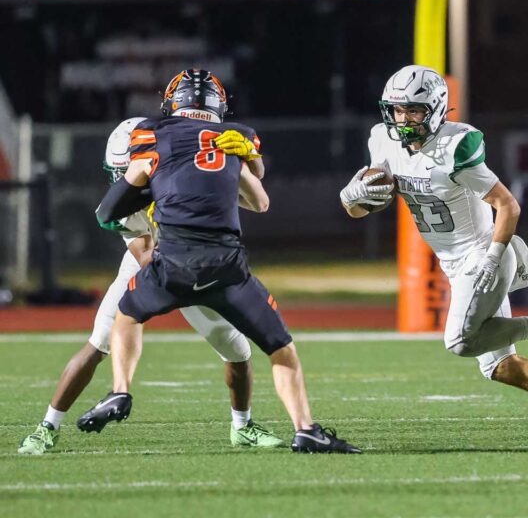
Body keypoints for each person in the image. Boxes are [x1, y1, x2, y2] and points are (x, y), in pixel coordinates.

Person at [82, 69, 361, 453]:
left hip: (173, 261)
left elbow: (107, 211)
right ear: (219, 107)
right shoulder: (234, 139)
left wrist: (149, 195)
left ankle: (120, 391)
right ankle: (305, 428)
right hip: (227, 269)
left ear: (170, 104)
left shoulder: (152, 136)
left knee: (127, 317)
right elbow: (261, 202)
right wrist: (243, 163)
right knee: (281, 349)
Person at [340, 65, 528, 436]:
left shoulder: (455, 146)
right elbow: (361, 208)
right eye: (397, 110)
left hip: (482, 254)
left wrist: (493, 258)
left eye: (413, 110)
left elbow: (508, 206)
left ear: (436, 109)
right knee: (499, 367)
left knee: (459, 342)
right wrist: (350, 197)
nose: (403, 119)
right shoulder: (382, 141)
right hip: (453, 262)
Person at [17, 117, 283, 455]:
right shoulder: (125, 203)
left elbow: (251, 199)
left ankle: (242, 427)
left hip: (195, 260)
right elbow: (146, 258)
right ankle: (47, 428)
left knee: (238, 352)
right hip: (158, 265)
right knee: (98, 342)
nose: (122, 179)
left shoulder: (179, 173)